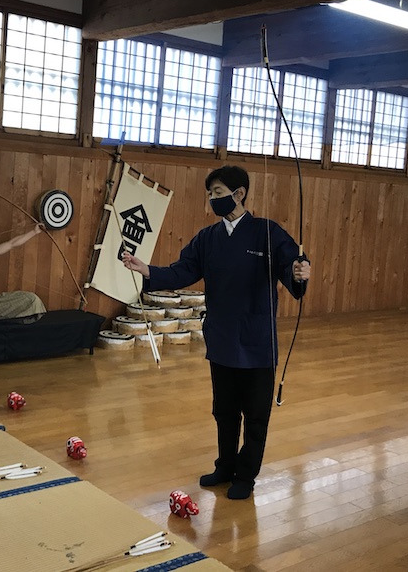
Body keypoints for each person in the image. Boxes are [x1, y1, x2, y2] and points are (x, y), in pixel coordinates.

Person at [122, 165, 310, 500]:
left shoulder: (267, 232)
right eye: (210, 194)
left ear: (240, 194)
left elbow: (291, 266)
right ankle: (224, 466)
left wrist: (299, 271)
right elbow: (184, 270)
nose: (212, 199)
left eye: (219, 193)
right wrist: (147, 269)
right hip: (222, 339)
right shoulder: (208, 238)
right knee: (224, 410)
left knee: (255, 415)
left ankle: (246, 475)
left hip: (257, 342)